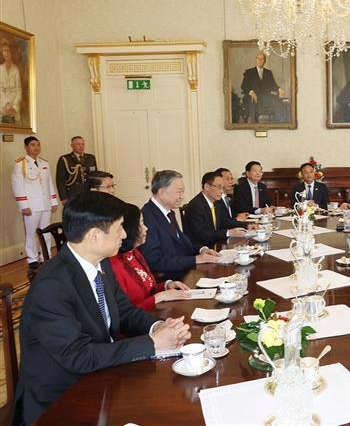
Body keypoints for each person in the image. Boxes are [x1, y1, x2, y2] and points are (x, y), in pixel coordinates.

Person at [12, 191, 191, 426]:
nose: (125, 235)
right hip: (62, 398)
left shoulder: (99, 262)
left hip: (102, 374)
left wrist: (159, 326)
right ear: (95, 236)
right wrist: (153, 342)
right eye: (119, 229)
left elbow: (125, 311)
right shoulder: (52, 286)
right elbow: (78, 356)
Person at [140, 170, 221, 280]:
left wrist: (202, 250)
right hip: (170, 279)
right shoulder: (147, 217)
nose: (182, 196)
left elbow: (183, 244)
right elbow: (155, 261)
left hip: (184, 271)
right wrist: (196, 259)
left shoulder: (168, 212)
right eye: (179, 191)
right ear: (161, 191)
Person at [110, 203, 190, 311]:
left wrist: (167, 285)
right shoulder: (114, 265)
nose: (146, 228)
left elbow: (149, 288)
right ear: (130, 228)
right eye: (142, 223)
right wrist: (158, 297)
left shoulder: (134, 252)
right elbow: (125, 315)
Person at [11, 136, 58, 269]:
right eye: (32, 145)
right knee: (31, 233)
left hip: (45, 204)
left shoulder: (44, 163)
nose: (36, 148)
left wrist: (53, 201)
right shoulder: (20, 164)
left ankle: (46, 255)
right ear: (26, 147)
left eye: (38, 145)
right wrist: (23, 205)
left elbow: (49, 183)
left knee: (46, 231)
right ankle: (32, 258)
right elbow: (17, 185)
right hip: (31, 206)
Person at [183, 171, 247, 249]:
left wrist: (247, 225)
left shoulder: (216, 202)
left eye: (223, 188)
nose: (222, 191)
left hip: (215, 243)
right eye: (219, 187)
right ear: (206, 187)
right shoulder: (196, 206)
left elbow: (225, 222)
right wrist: (228, 232)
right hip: (201, 249)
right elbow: (202, 234)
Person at [240, 52, 287, 123]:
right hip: (252, 97)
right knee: (253, 104)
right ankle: (254, 125)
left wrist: (279, 89)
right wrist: (251, 92)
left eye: (262, 59)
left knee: (279, 103)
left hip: (265, 97)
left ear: (264, 61)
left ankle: (278, 124)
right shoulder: (249, 72)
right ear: (256, 60)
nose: (260, 61)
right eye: (258, 59)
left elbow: (273, 85)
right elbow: (244, 85)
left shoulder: (268, 72)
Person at [56, 136, 98, 204]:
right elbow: (60, 180)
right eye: (78, 144)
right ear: (72, 145)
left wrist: (97, 191)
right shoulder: (65, 159)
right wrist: (63, 197)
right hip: (73, 194)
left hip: (89, 193)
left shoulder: (91, 158)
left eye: (82, 144)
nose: (81, 146)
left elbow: (95, 176)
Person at [1, 38, 22, 124]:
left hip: (14, 102)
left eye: (8, 51)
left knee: (16, 119)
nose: (6, 53)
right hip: (3, 101)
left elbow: (19, 90)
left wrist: (14, 106)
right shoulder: (0, 69)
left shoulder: (15, 70)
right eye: (4, 51)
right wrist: (6, 104)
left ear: (11, 53)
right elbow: (0, 90)